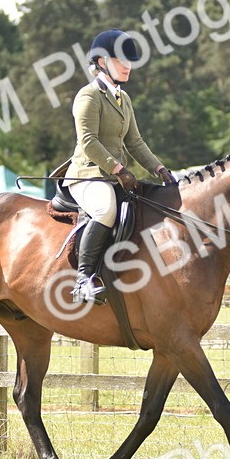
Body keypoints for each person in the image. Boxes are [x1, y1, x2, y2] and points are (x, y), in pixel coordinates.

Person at [66, 28, 177, 305]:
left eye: (129, 61)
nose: (127, 66)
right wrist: (118, 169)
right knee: (106, 209)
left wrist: (159, 169)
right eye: (120, 61)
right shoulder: (88, 96)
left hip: (113, 177)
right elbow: (89, 141)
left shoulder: (123, 99)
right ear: (102, 62)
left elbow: (135, 142)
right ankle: (83, 280)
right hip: (87, 175)